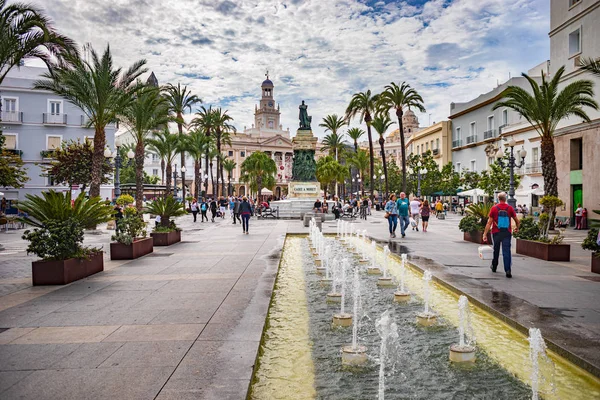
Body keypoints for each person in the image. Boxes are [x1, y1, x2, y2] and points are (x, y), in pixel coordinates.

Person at [483, 192, 520, 278]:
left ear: (498, 199)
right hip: (507, 232)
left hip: (496, 232)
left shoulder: (494, 208)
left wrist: (485, 234)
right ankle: (508, 270)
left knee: (496, 250)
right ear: (505, 199)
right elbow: (517, 221)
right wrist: (517, 228)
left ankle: (494, 266)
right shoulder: (510, 208)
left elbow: (489, 223)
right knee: (506, 251)